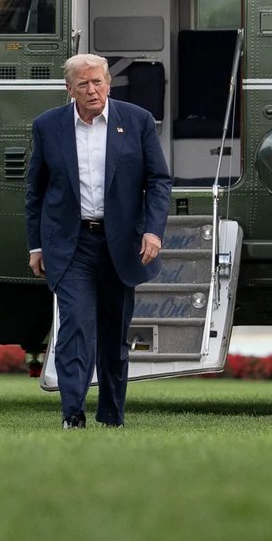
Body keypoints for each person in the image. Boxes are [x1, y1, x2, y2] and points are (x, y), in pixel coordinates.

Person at [24, 53, 171, 429]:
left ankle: (112, 415)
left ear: (108, 83)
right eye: (84, 84)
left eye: (98, 82)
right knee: (75, 326)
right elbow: (35, 191)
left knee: (113, 335)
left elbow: (158, 180)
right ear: (69, 89)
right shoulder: (48, 126)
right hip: (71, 245)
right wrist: (36, 246)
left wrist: (153, 230)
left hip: (121, 244)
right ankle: (73, 413)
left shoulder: (136, 121)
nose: (93, 90)